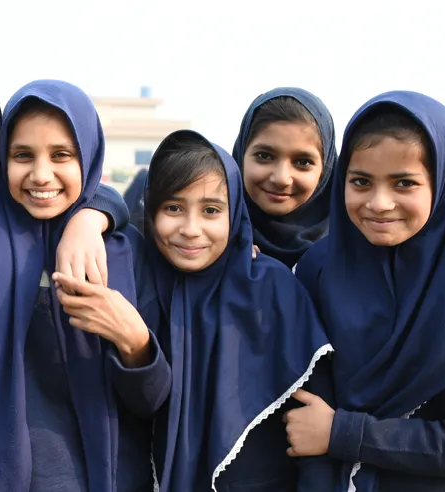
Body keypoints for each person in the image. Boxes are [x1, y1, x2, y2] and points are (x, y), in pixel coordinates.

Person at [289, 91, 445, 491]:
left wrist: (344, 433)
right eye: (361, 182)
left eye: (404, 183)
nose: (380, 203)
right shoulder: (319, 271)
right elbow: (302, 411)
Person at [0, 80, 170, 492]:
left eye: (62, 155)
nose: (41, 174)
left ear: (90, 155)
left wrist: (134, 341)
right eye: (22, 155)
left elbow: (153, 402)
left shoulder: (126, 254)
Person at [123, 129, 334, 491]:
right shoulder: (139, 284)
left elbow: (312, 420)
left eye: (210, 211)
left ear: (235, 213)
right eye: (173, 208)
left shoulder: (273, 289)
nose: (191, 230)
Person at [231, 88, 338, 269]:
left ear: (325, 169)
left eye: (303, 162)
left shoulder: (351, 254)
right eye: (265, 156)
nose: (281, 179)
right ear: (242, 155)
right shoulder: (204, 243)